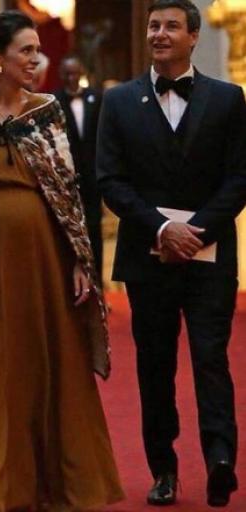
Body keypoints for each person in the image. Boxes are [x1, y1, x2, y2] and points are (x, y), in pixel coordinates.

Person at [0, 10, 124, 511]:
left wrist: (79, 260)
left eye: (37, 50)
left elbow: (69, 194)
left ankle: (48, 483)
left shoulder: (48, 112)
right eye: (26, 51)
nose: (37, 60)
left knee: (41, 364)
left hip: (43, 262)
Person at [96, 0, 246, 507]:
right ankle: (164, 469)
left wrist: (197, 230)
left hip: (210, 257)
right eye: (154, 26)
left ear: (194, 35)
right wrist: (162, 229)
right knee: (154, 367)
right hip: (147, 256)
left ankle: (221, 460)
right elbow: (109, 180)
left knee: (211, 358)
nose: (160, 33)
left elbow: (239, 177)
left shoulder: (229, 100)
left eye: (171, 26)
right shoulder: (118, 103)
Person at [54, 56, 104, 286]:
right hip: (66, 179)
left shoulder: (96, 98)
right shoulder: (53, 103)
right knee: (67, 233)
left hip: (93, 178)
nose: (72, 78)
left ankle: (97, 283)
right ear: (61, 75)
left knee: (94, 231)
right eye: (67, 74)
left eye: (75, 73)